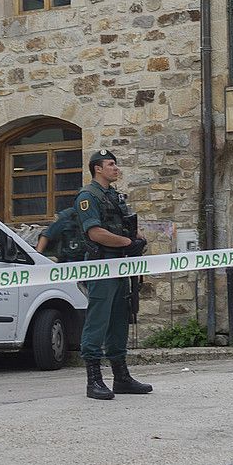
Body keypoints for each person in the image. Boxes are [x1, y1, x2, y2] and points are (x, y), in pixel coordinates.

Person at [76, 149, 152, 400]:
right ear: (97, 168)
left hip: (121, 263)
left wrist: (137, 239)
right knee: (98, 319)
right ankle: (94, 380)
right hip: (102, 264)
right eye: (111, 164)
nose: (116, 168)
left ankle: (121, 377)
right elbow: (95, 233)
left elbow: (125, 226)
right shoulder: (89, 196)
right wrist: (126, 242)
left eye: (116, 164)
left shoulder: (114, 196)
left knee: (121, 317)